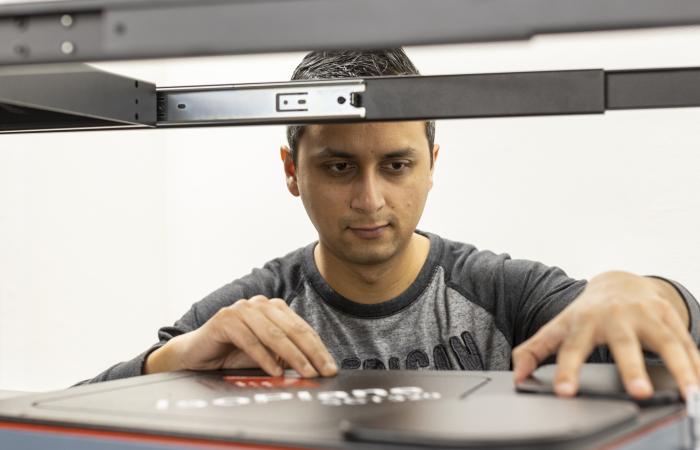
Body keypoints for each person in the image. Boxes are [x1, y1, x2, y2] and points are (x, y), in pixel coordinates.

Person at [77, 49, 700, 401]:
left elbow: (649, 332)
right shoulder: (255, 309)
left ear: (432, 165)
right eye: (340, 166)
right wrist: (176, 357)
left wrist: (650, 290)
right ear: (293, 170)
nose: (370, 199)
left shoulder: (504, 293)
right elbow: (76, 408)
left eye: (397, 165)